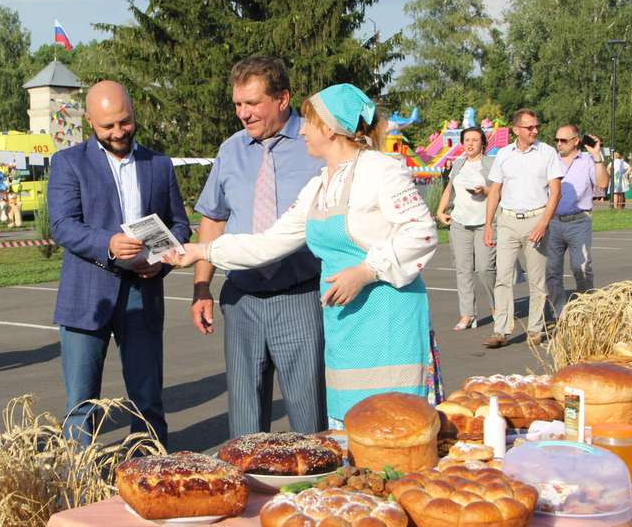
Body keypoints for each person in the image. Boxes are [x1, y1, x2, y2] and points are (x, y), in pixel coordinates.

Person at [166, 83, 442, 429]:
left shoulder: (381, 171)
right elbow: (269, 243)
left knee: (394, 427)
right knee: (351, 428)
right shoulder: (320, 185)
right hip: (345, 325)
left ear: (329, 128)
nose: (303, 130)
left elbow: (422, 232)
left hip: (386, 322)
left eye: (309, 123)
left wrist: (366, 270)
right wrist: (202, 251)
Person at [48, 80, 190, 446]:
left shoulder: (158, 164)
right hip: (87, 297)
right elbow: (62, 225)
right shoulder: (68, 163)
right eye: (107, 126)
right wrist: (108, 244)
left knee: (147, 403)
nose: (118, 132)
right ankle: (79, 485)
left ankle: (151, 475)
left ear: (133, 112)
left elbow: (179, 224)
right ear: (90, 123)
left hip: (143, 294)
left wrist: (160, 261)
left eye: (124, 122)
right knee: (81, 405)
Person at [192, 56, 327, 437]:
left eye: (252, 104)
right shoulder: (231, 150)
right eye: (237, 104)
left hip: (300, 296)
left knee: (308, 422)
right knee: (246, 425)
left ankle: (312, 494)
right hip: (242, 300)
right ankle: (251, 493)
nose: (243, 114)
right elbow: (214, 218)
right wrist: (202, 287)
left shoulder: (315, 144)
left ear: (283, 98)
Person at [482, 109, 563, 348]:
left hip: (536, 219)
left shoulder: (547, 153)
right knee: (503, 277)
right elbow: (495, 191)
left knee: (537, 280)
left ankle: (535, 329)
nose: (535, 131)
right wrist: (488, 225)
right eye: (530, 127)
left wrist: (544, 222)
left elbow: (556, 192)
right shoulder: (504, 154)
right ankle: (501, 330)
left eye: (537, 126)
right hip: (507, 221)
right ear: (516, 129)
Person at [436, 127, 496, 331]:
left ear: (483, 143)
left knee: (485, 268)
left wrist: (484, 190)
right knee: (463, 270)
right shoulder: (459, 163)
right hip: (460, 222)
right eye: (467, 140)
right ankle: (468, 314)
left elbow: (498, 192)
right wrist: (440, 210)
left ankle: (498, 306)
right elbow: (449, 188)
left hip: (484, 223)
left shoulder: (491, 164)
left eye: (475, 140)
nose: (470, 144)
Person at [546, 126, 608, 320]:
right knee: (552, 271)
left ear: (576, 141)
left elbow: (603, 183)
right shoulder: (551, 160)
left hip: (579, 221)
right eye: (557, 139)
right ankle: (560, 314)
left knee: (581, 267)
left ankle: (586, 309)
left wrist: (597, 156)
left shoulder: (588, 160)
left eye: (563, 140)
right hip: (553, 222)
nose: (558, 144)